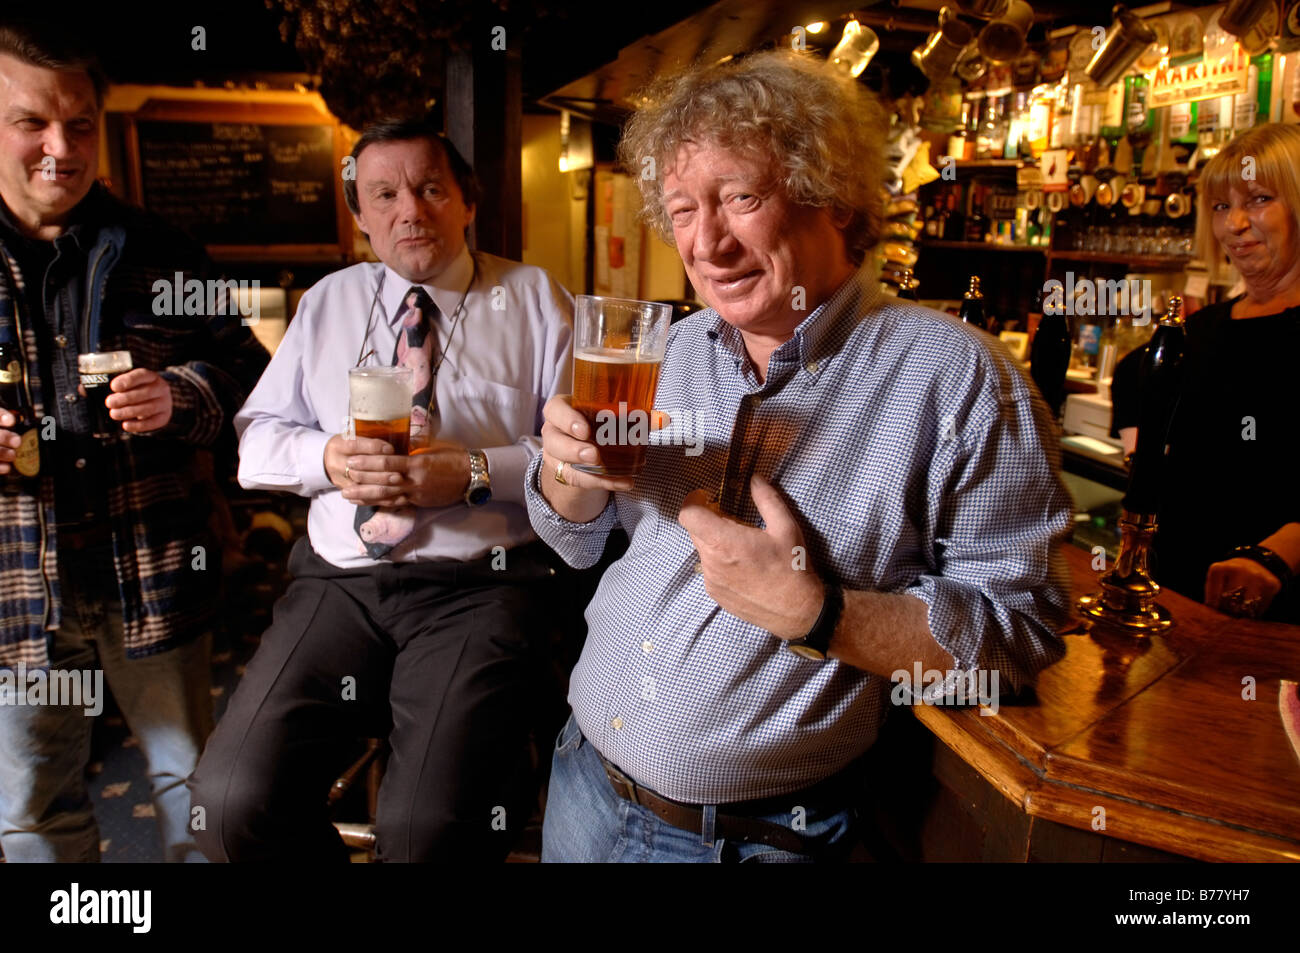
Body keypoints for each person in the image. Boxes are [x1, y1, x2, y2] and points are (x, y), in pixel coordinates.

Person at [526, 50, 1074, 863]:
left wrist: (820, 613)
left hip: (750, 840)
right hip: (581, 784)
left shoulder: (959, 378)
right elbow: (574, 533)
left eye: (740, 197)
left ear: (834, 197)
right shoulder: (668, 349)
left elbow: (1015, 638)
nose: (706, 242)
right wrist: (564, 473)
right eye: (681, 210)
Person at [188, 117, 574, 862]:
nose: (410, 211)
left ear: (468, 200)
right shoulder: (328, 302)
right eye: (385, 194)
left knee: (426, 833)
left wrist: (469, 473)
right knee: (230, 806)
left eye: (431, 189)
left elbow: (578, 465)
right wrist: (328, 458)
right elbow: (256, 440)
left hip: (481, 586)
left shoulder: (534, 299)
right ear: (360, 215)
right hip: (339, 584)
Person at [0, 22, 269, 862]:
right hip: (15, 588)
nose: (59, 147)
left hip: (152, 571)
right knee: (33, 808)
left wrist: (182, 396)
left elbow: (248, 374)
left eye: (79, 124)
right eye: (31, 122)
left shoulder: (161, 249)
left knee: (191, 792)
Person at [1120, 123, 1300, 623]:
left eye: (1259, 199)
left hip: (1278, 617)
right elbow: (1133, 378)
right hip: (1175, 599)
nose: (1235, 224)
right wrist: (1143, 456)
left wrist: (1276, 554)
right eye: (1221, 207)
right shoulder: (1199, 329)